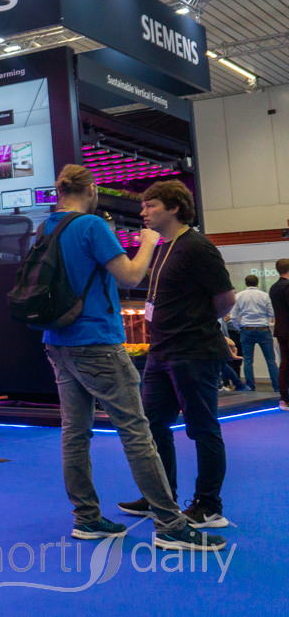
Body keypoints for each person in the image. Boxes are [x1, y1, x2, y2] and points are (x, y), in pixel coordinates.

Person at [40, 165, 221, 551]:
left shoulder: (47, 227)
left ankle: (86, 518)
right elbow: (131, 276)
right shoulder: (91, 226)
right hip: (97, 342)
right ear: (91, 190)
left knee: (75, 433)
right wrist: (148, 243)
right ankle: (170, 524)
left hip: (58, 341)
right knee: (138, 434)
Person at [117, 180, 236, 531]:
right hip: (162, 352)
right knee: (152, 425)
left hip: (194, 351)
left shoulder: (197, 247)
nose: (143, 211)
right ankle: (160, 496)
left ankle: (209, 506)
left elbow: (225, 299)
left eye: (150, 205)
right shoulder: (165, 247)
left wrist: (195, 323)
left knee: (202, 428)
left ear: (174, 207)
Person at [230, 274, 278, 394]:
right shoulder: (264, 295)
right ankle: (277, 387)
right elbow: (272, 313)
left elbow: (234, 316)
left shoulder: (239, 296)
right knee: (271, 360)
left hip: (246, 329)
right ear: (257, 283)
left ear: (246, 283)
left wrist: (239, 327)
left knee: (248, 360)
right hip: (263, 329)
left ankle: (250, 388)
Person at [269, 258, 289, 411]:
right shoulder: (287, 286)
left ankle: (284, 397)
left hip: (281, 330)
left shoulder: (274, 287)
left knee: (285, 364)